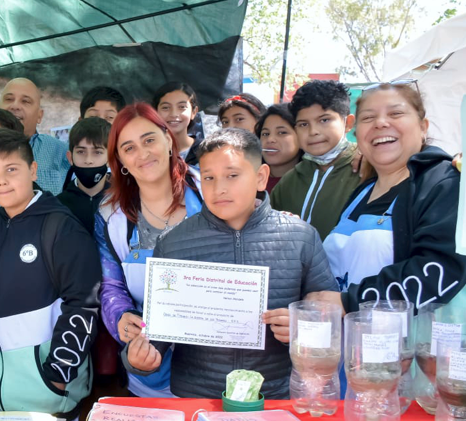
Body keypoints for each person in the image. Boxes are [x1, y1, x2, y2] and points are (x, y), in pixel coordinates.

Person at [124, 129, 339, 399]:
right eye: (209, 178)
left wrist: (303, 327)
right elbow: (158, 332)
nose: (219, 188)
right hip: (198, 399)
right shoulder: (173, 243)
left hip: (276, 398)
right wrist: (139, 357)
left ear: (261, 177)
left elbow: (330, 318)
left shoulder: (301, 237)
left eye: (232, 175)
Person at [323, 82, 466, 336]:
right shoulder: (361, 192)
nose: (380, 123)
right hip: (360, 348)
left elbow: (439, 268)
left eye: (396, 113)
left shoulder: (447, 182)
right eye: (368, 117)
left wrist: (351, 302)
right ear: (357, 133)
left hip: (427, 351)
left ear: (423, 127)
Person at [0, 129, 101, 421]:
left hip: (50, 400)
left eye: (11, 169)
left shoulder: (61, 227)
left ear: (32, 170)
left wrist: (59, 372)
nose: (1, 181)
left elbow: (84, 303)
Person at [96, 103, 203, 398]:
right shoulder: (111, 216)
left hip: (217, 370)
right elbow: (111, 285)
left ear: (168, 140)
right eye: (129, 148)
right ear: (120, 161)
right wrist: (121, 317)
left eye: (149, 140)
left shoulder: (211, 192)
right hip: (151, 376)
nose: (142, 154)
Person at [269, 80, 361, 240]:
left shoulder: (367, 169)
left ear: (348, 123)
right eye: (303, 124)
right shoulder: (288, 182)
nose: (313, 131)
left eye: (324, 120)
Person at [57, 117, 111, 233]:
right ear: (70, 158)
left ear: (111, 158)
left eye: (97, 152)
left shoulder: (122, 202)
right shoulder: (58, 206)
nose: (88, 160)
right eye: (81, 152)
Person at [256, 104, 303, 194]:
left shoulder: (313, 181)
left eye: (282, 132)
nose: (270, 139)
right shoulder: (250, 179)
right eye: (265, 134)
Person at [153, 82, 202, 166]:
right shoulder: (150, 153)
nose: (174, 114)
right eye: (165, 107)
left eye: (182, 107)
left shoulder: (206, 151)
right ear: (155, 113)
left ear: (194, 112)